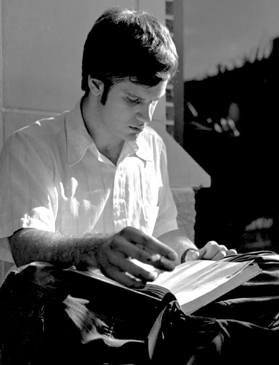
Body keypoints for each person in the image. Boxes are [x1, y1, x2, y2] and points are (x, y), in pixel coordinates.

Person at [0, 7, 235, 289]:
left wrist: (191, 257)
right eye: (134, 101)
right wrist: (96, 251)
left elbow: (166, 230)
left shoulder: (152, 147)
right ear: (96, 84)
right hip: (63, 319)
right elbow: (24, 243)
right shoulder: (31, 146)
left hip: (139, 314)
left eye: (154, 101)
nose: (146, 117)